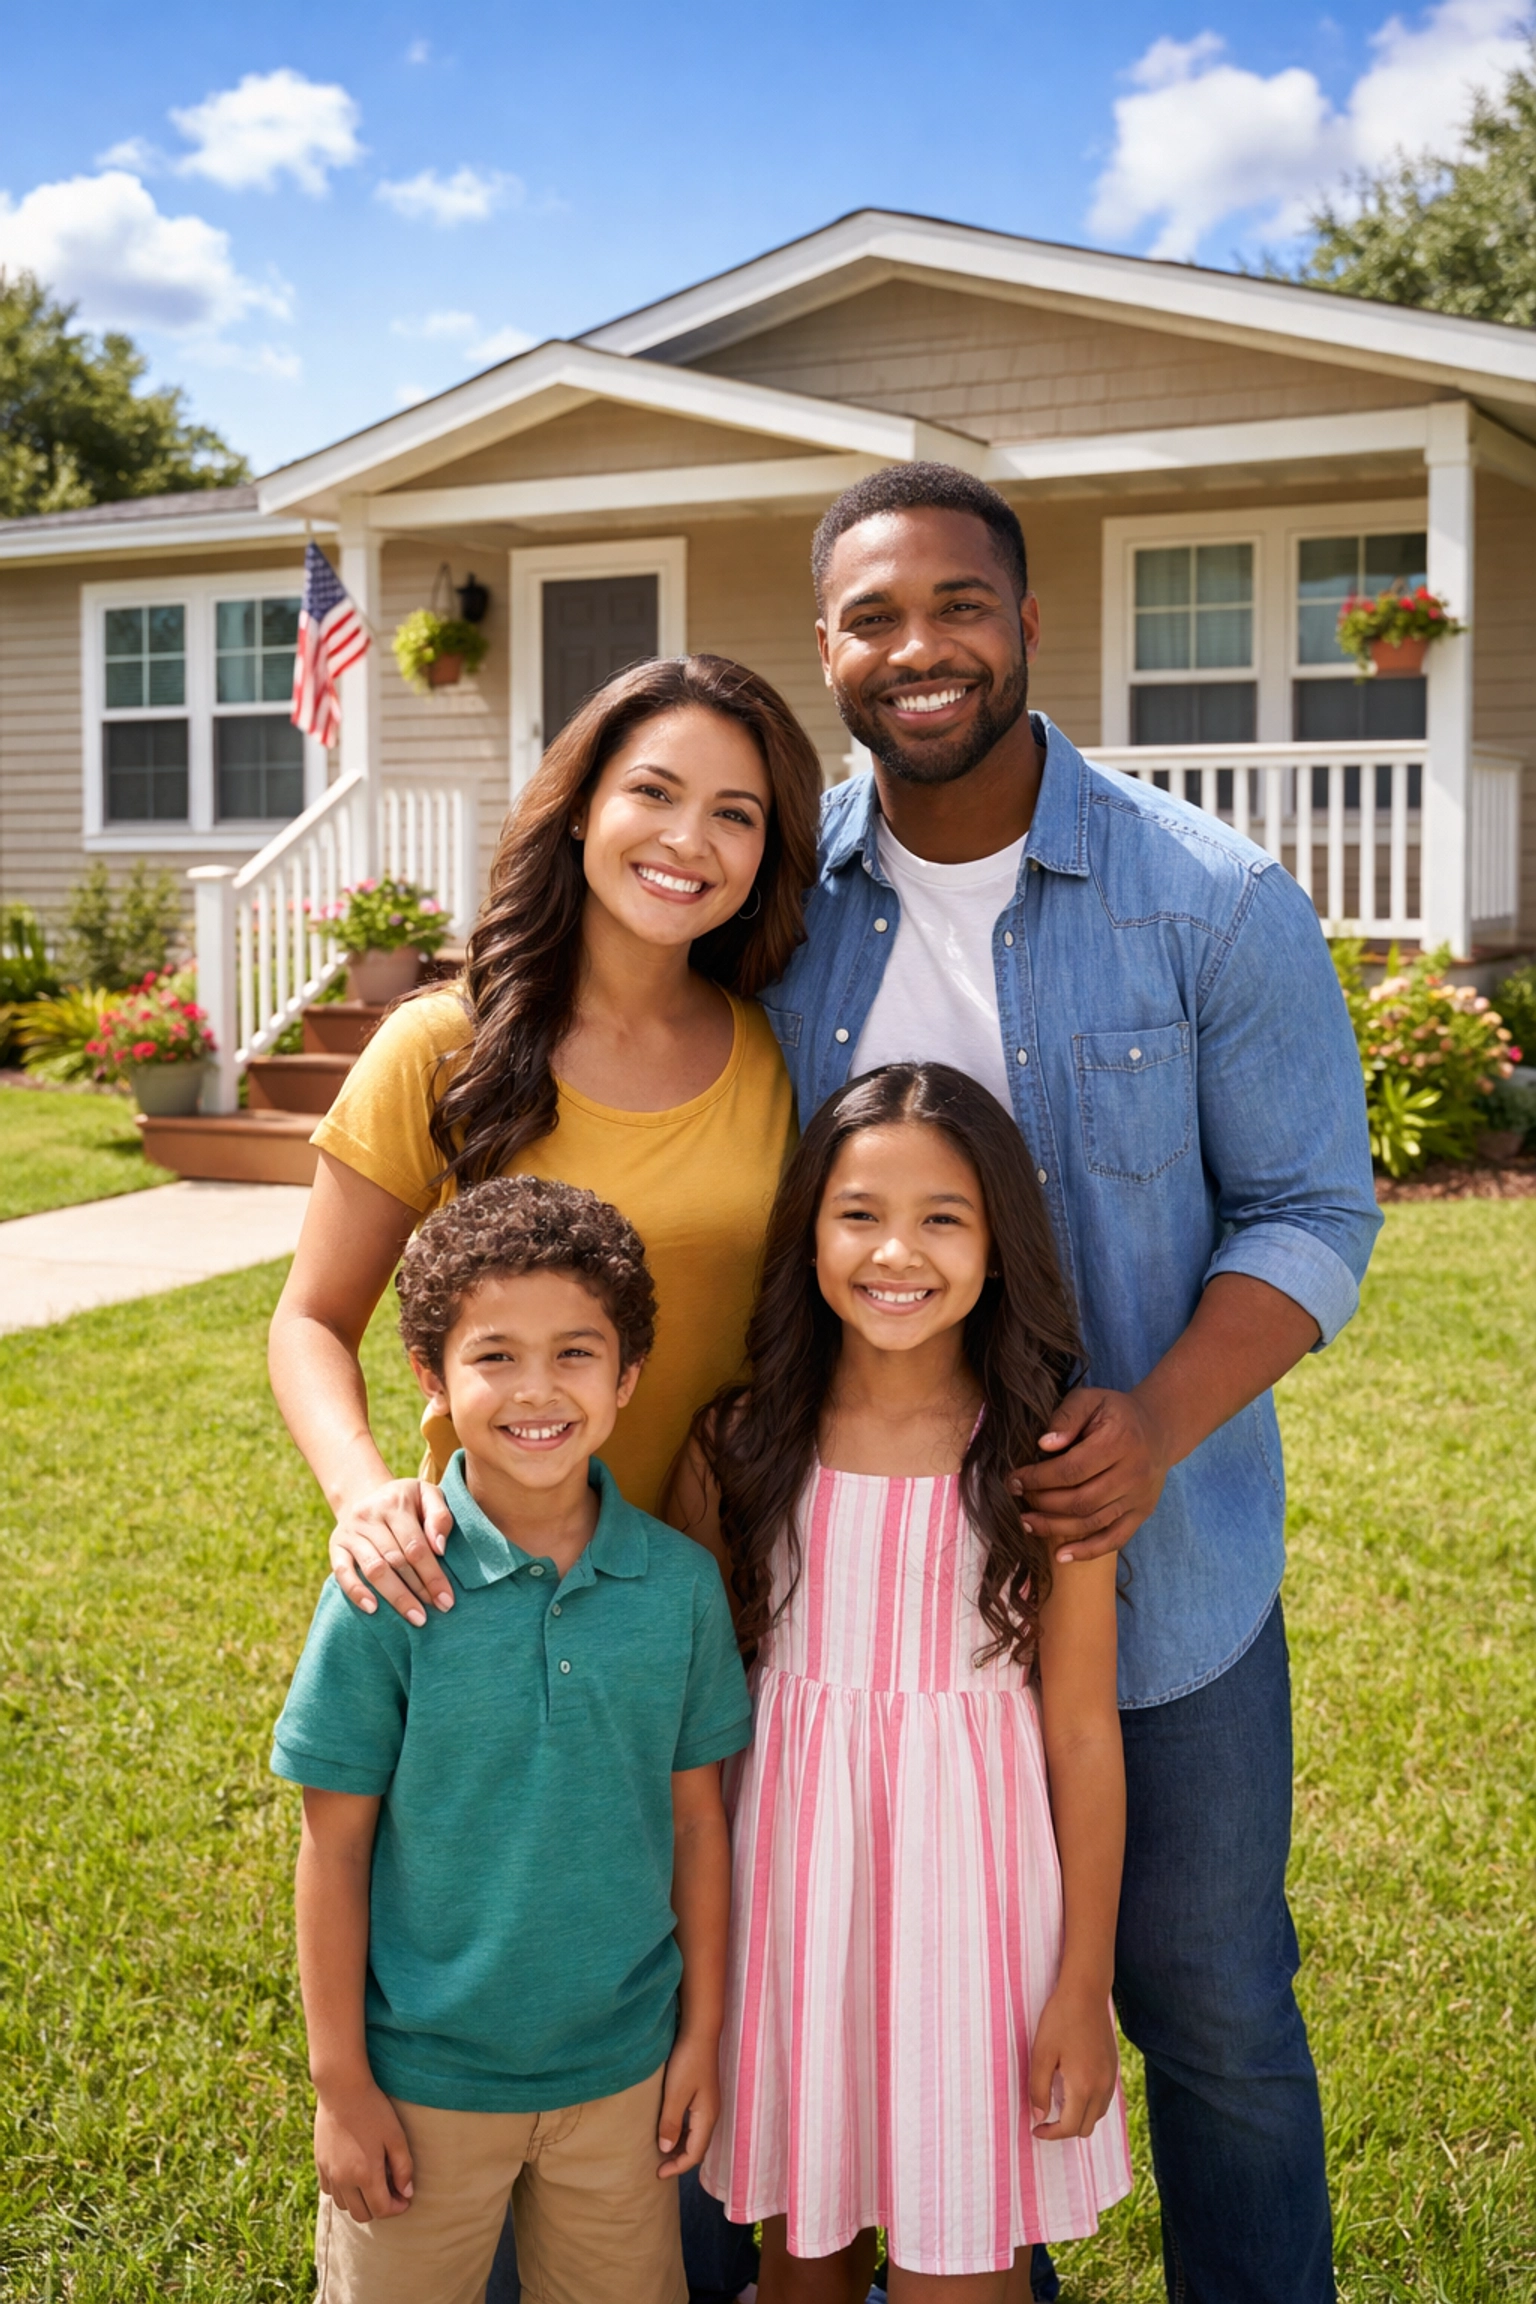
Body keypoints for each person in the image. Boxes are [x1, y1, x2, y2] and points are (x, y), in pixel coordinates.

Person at [742, 464, 1382, 2304]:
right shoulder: (786, 910)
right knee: (835, 1971)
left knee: (1211, 2007)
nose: (919, 646)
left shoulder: (1209, 897)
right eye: (874, 615)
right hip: (850, 1581)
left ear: (1028, 624)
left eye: (958, 604)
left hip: (1148, 1578)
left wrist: (1156, 1422)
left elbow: (1313, 1212)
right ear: (830, 652)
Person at [672, 1063, 1132, 2301]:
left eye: (944, 1218)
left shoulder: (1045, 1464)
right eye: (860, 1212)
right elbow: (698, 1734)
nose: (898, 1251)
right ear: (808, 1232)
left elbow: (1084, 1735)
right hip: (788, 1912)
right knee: (800, 2263)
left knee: (958, 2260)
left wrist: (1082, 1987)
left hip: (975, 1929)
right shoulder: (738, 1447)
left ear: (997, 1247)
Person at [271, 1175, 753, 2304]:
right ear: (431, 1378)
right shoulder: (387, 1591)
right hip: (421, 2085)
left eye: (576, 1355)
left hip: (621, 2079)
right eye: (495, 1356)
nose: (537, 1390)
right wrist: (340, 2082)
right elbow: (333, 1850)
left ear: (628, 1377)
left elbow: (698, 1823)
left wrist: (702, 2038)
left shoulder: (679, 1591)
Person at [268, 653, 821, 1626]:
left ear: (767, 854)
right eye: (654, 791)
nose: (688, 839)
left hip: (730, 1602)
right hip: (487, 1600)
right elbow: (310, 1321)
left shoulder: (786, 1057)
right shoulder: (441, 1047)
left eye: (736, 813)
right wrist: (361, 1495)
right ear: (577, 808)